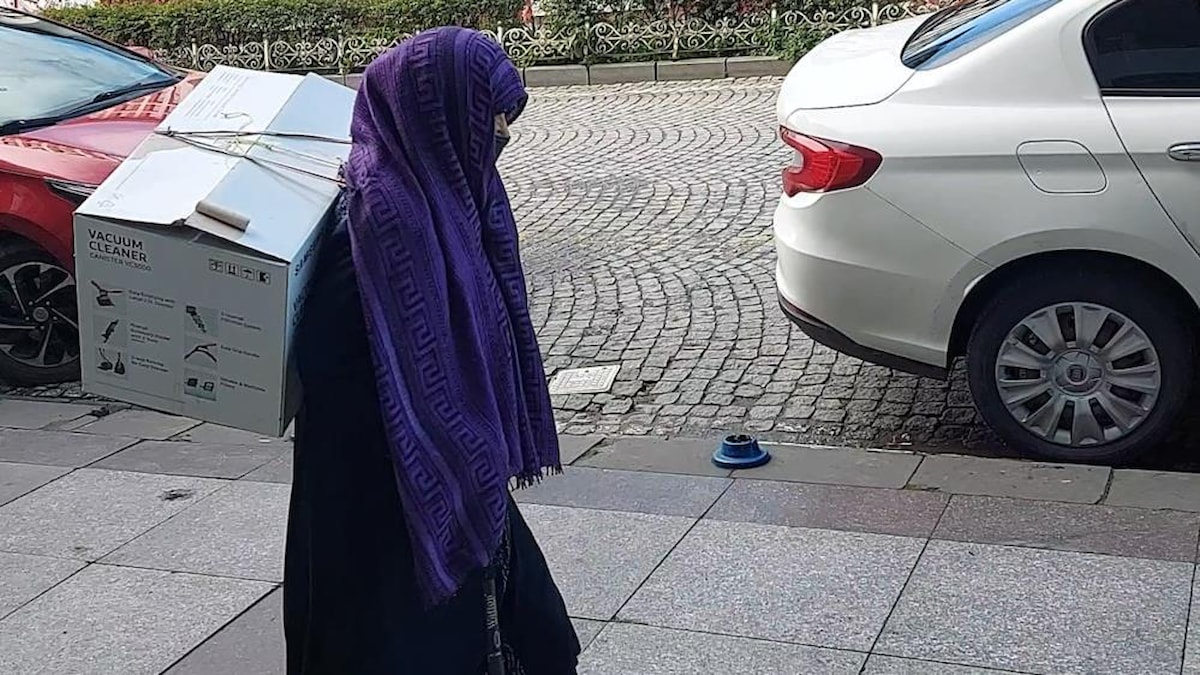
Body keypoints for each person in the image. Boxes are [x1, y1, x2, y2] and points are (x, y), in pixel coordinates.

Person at [284, 26, 581, 675]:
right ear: (436, 113)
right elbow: (334, 373)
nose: (500, 134)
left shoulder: (447, 194)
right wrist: (452, 442)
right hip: (389, 500)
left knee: (540, 638)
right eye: (488, 117)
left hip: (447, 476)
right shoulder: (384, 226)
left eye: (506, 119)